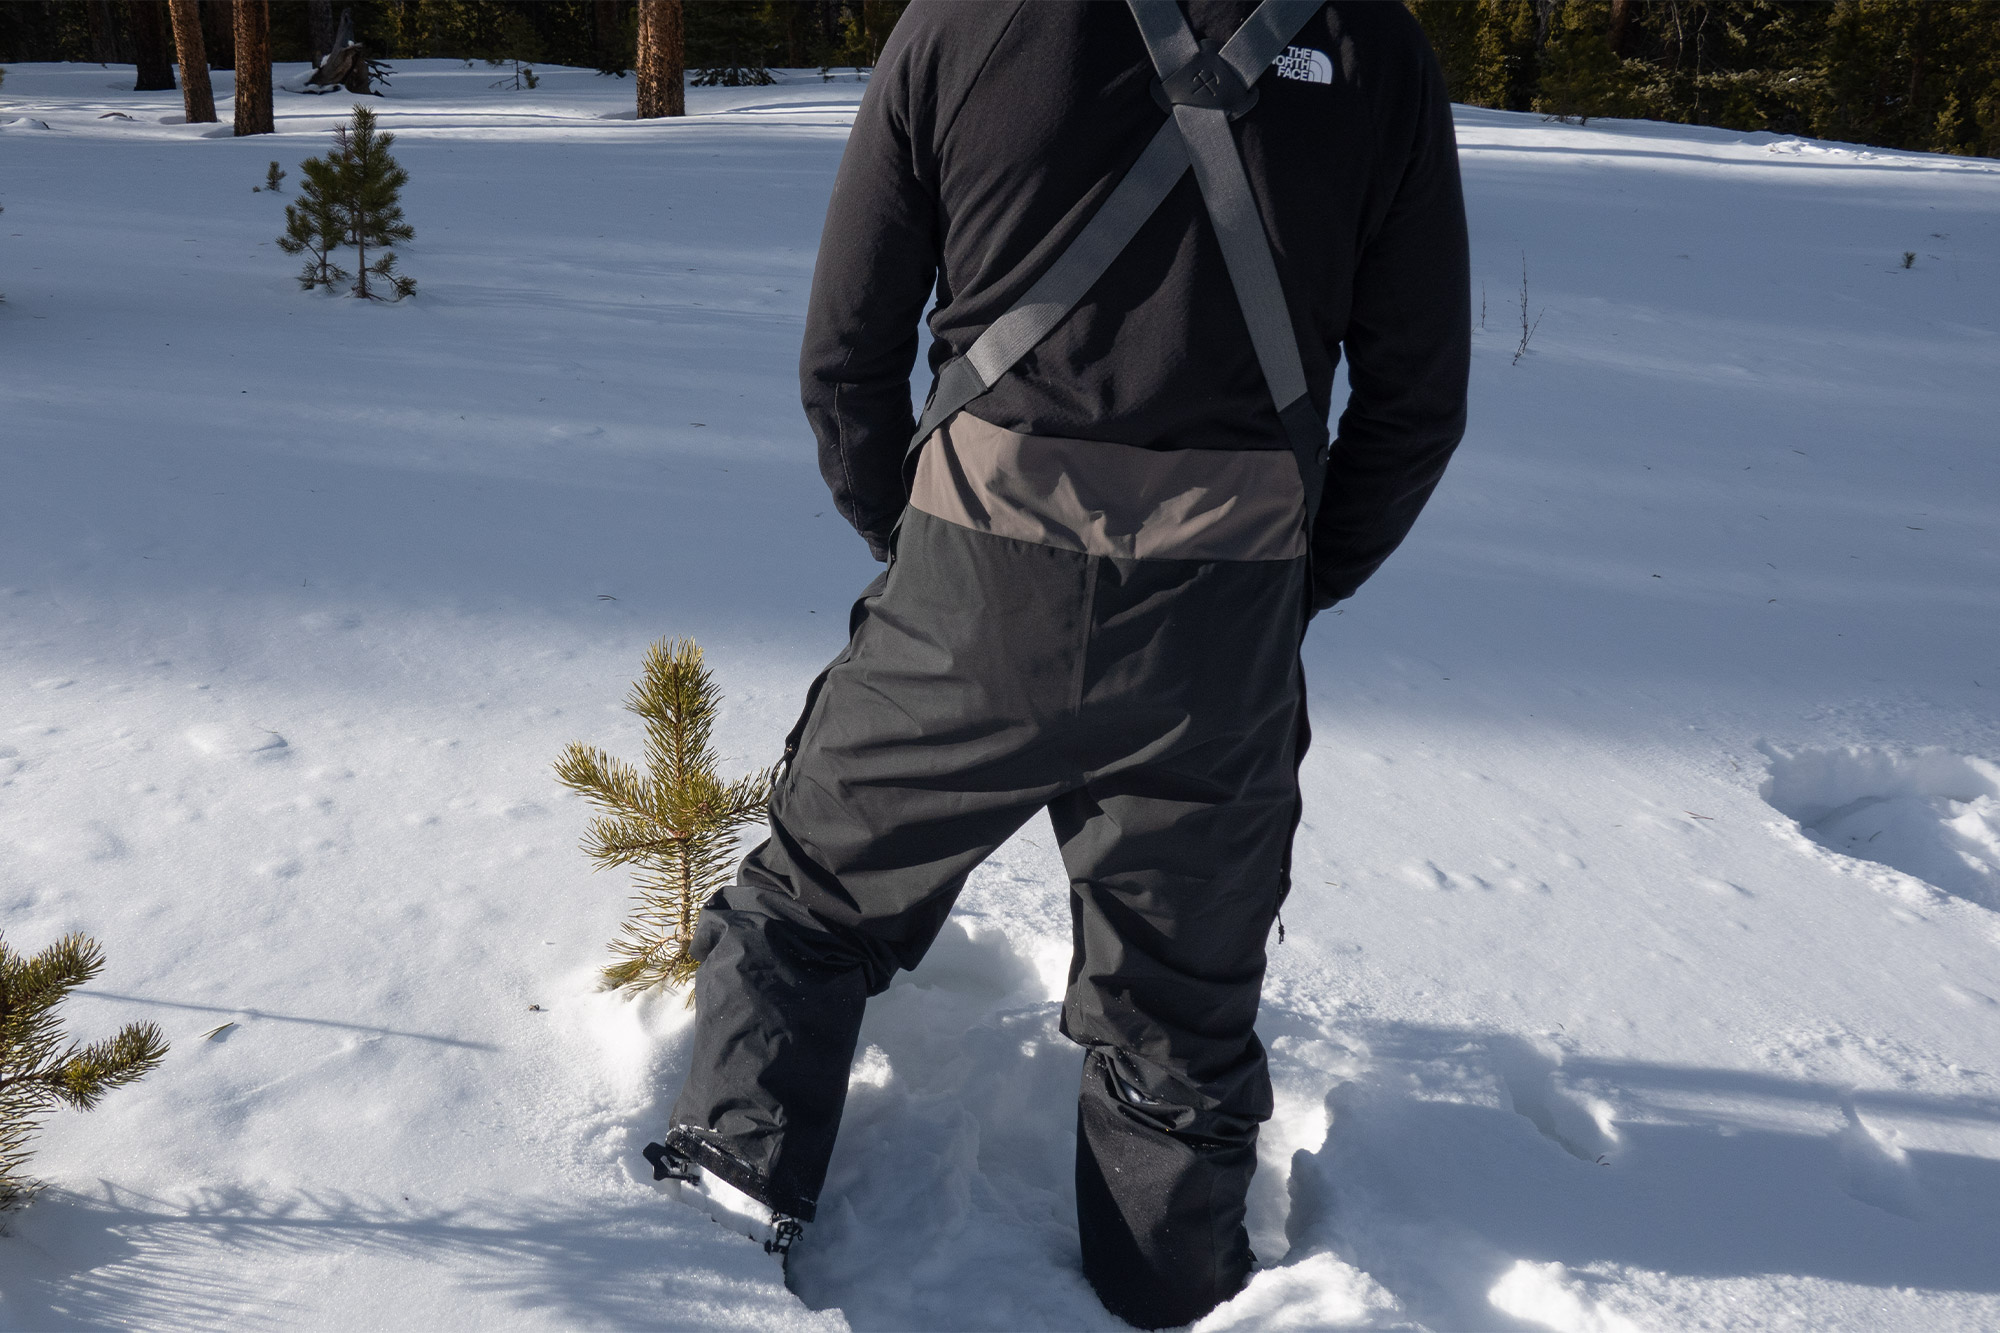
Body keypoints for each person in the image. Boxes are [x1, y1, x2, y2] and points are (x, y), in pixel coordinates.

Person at [650, 2, 1468, 1326]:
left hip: (965, 597)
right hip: (1223, 625)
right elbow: (1418, 398)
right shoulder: (1374, 45)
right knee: (1180, 1019)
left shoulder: (962, 21)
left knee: (803, 918)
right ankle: (1181, 1298)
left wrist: (928, 555)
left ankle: (711, 1242)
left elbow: (845, 355)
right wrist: (1279, 591)